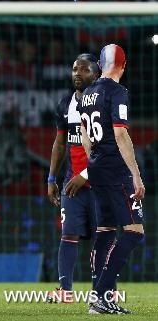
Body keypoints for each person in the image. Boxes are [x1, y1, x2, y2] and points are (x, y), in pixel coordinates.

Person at [71, 44, 146, 315]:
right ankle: (101, 294)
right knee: (134, 232)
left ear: (100, 66)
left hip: (98, 168)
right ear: (123, 66)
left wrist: (94, 161)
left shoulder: (87, 94)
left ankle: (101, 299)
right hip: (116, 170)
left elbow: (83, 133)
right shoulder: (118, 92)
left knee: (105, 231)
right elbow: (121, 134)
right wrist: (136, 175)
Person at [45, 54, 99, 303]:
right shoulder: (65, 103)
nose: (77, 73)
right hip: (71, 184)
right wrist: (51, 178)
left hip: (100, 184)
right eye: (74, 69)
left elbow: (110, 147)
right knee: (68, 234)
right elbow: (59, 143)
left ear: (96, 74)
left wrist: (86, 174)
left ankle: (103, 289)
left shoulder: (104, 103)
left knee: (103, 236)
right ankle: (65, 290)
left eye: (84, 69)